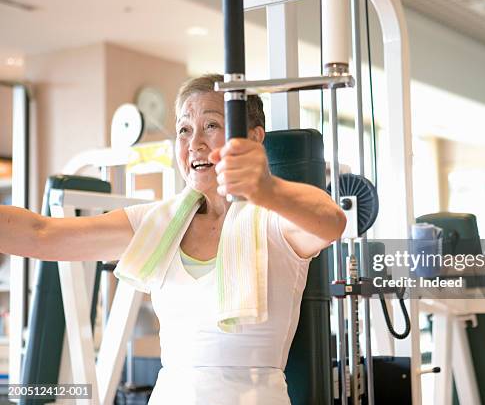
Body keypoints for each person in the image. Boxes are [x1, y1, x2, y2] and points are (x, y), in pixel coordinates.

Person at [0, 73, 346, 404]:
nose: (194, 142)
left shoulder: (273, 220)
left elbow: (330, 222)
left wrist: (267, 188)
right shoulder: (155, 223)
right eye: (184, 129)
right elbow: (41, 234)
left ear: (254, 139)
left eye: (211, 125)